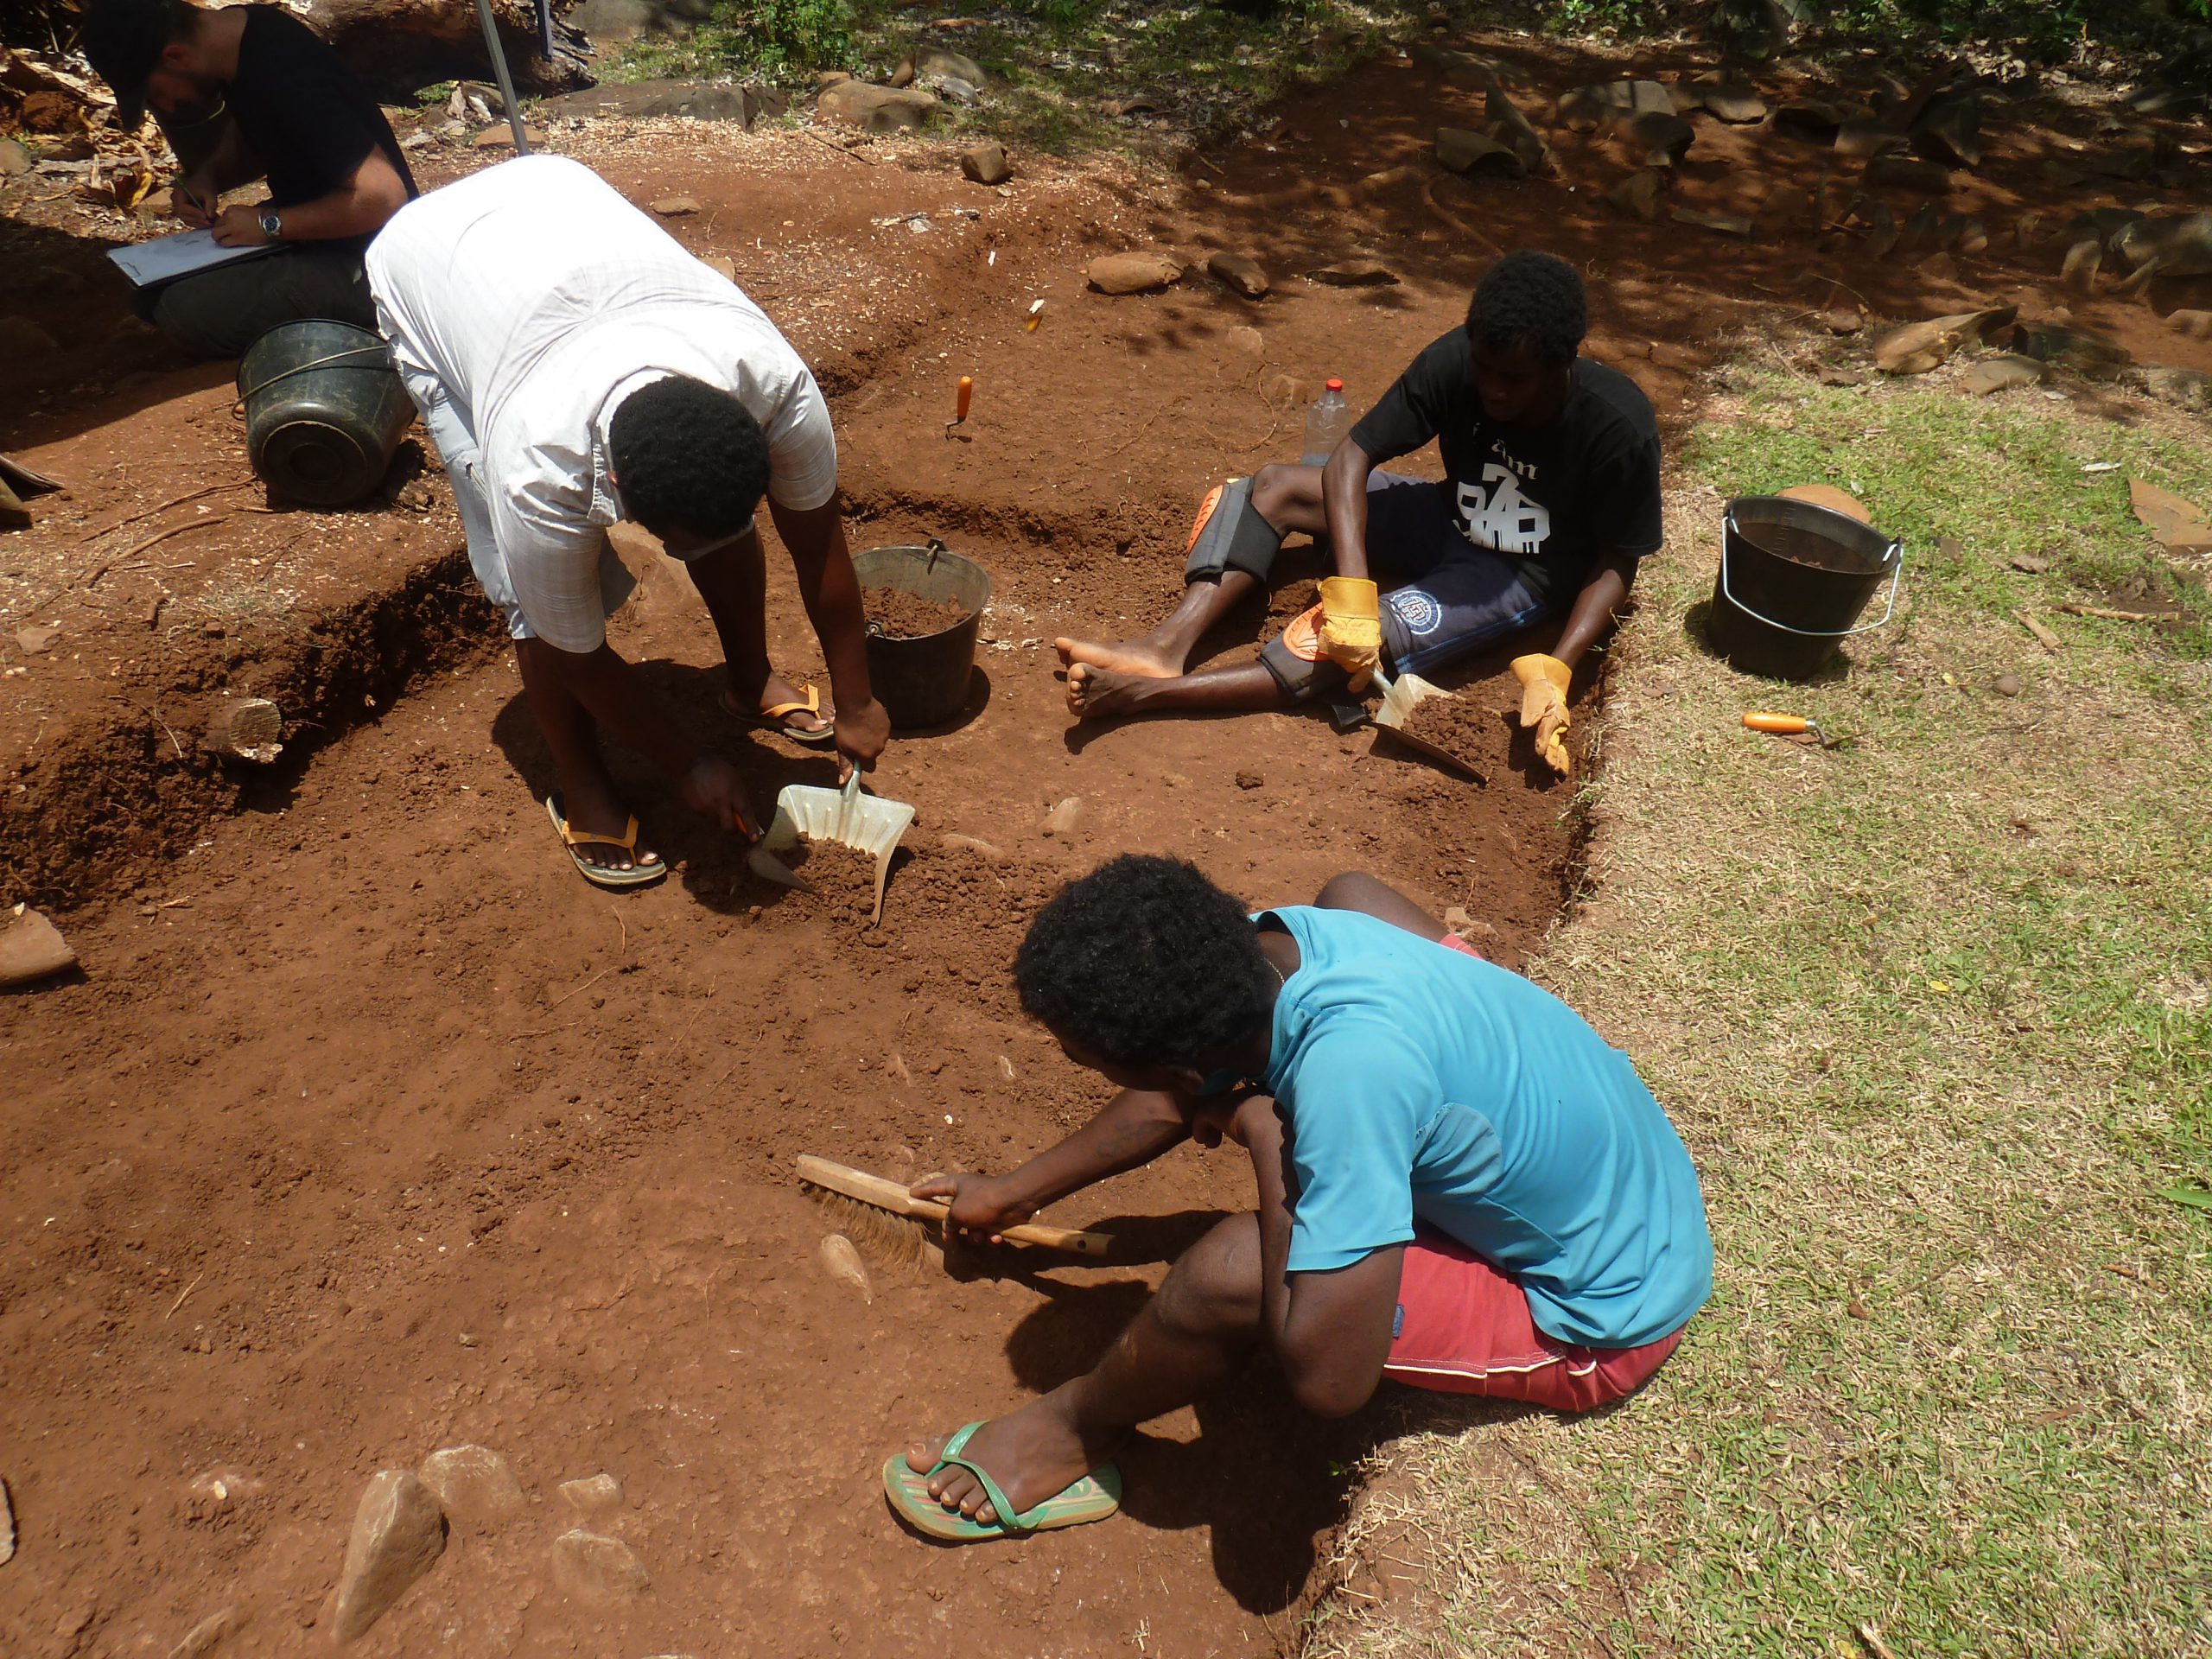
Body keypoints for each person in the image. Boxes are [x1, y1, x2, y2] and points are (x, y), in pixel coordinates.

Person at [882, 855, 1713, 1540]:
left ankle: (1071, 1428)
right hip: (1625, 1162)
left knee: (1231, 1269)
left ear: (1181, 1076)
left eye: (1090, 1060)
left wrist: (1264, 1128)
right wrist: (1013, 1193)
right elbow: (1183, 1076)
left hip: (1604, 1304)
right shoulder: (1284, 943)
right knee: (1354, 889)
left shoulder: (1347, 1083)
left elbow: (1328, 1378)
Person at [366, 155, 890, 890]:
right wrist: (689, 762)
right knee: (533, 605)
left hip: (554, 198)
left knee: (712, 527)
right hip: (430, 271)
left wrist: (858, 698)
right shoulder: (536, 468)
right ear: (613, 482)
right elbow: (575, 651)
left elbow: (819, 545)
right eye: (673, 541)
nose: (687, 553)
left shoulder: (774, 387)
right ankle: (584, 786)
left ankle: (750, 681)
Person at [1054, 250, 1662, 777]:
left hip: (1516, 576)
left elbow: (1616, 559)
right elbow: (1350, 458)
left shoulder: (1616, 426)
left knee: (1319, 643)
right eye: (1483, 370)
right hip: (1449, 518)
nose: (1494, 389)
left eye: (1515, 380)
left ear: (1561, 365)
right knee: (1271, 488)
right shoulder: (1458, 361)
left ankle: (1142, 695)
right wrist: (1353, 594)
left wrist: (1561, 665)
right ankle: (1163, 648)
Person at [81, 0, 416, 358]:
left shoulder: (285, 75)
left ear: (175, 57)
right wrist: (208, 176)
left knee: (184, 309)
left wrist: (270, 224)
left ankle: (367, 324)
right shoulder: (242, 35)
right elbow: (258, 131)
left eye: (156, 94)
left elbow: (383, 196)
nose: (164, 107)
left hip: (373, 262)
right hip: (322, 239)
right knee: (151, 293)